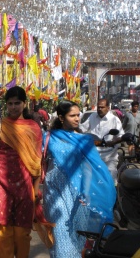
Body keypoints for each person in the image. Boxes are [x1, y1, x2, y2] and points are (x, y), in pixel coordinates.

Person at [0, 86, 43, 258]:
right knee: (1, 235)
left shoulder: (34, 128)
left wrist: (35, 191)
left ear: (24, 104)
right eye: (10, 103)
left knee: (22, 235)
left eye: (17, 103)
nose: (13, 107)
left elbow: (36, 162)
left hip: (24, 184)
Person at [43, 100, 116, 258]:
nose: (77, 119)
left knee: (77, 240)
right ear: (61, 118)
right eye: (72, 116)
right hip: (54, 194)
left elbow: (89, 168)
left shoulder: (85, 140)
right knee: (60, 235)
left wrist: (87, 192)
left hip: (78, 196)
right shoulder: (48, 137)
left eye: (78, 115)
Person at [80, 99, 124, 185]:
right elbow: (82, 129)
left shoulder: (114, 119)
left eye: (102, 107)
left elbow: (121, 136)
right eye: (98, 107)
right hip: (93, 154)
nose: (99, 109)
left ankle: (113, 197)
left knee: (110, 181)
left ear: (108, 108)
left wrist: (112, 142)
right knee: (93, 181)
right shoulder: (92, 116)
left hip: (109, 156)